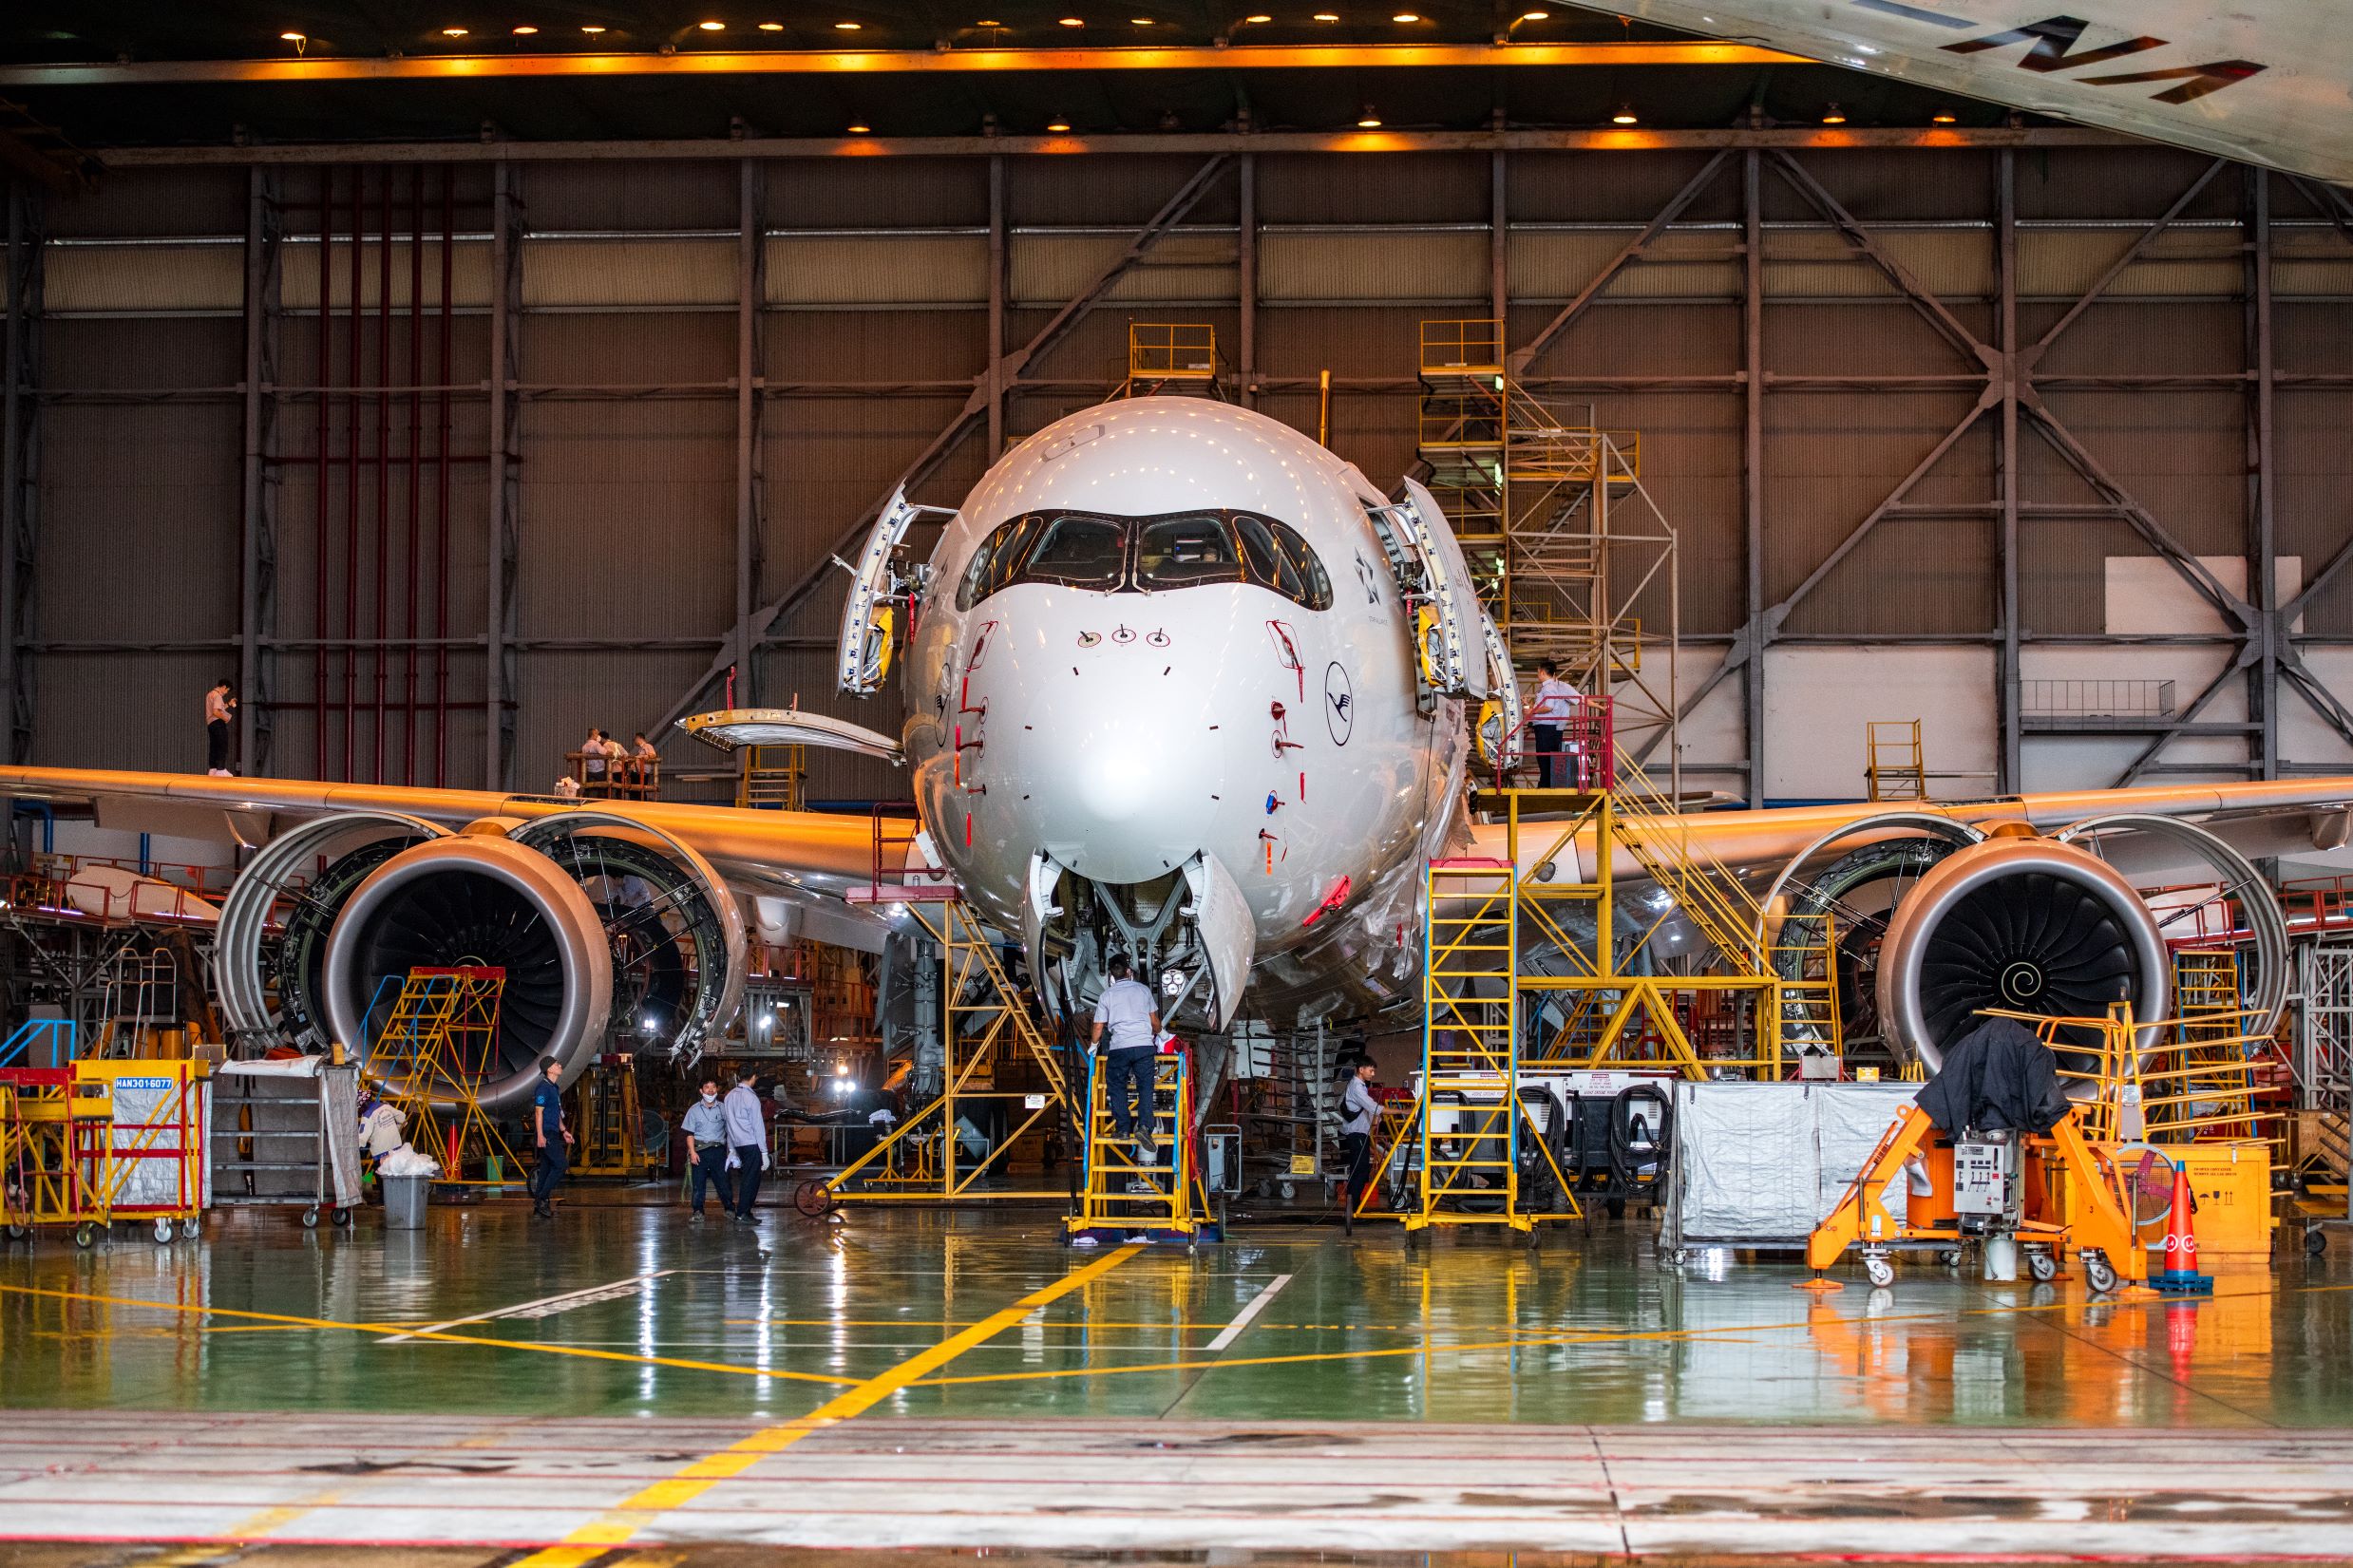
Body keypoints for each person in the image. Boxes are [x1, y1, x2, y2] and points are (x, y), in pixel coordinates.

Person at [1089, 955, 1161, 1152]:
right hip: (1143, 1046)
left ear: (1111, 974)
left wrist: (1093, 1046)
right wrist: (1162, 1034)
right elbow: (1154, 1021)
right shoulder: (1143, 990)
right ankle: (1144, 1127)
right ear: (1129, 971)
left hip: (1119, 1047)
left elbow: (1098, 1027)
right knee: (1145, 1087)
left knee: (1116, 1086)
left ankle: (1122, 1129)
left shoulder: (1106, 996)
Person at [679, 1075, 731, 1222]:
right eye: (707, 1087)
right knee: (698, 1183)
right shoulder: (694, 1110)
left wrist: (731, 1151)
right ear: (701, 1091)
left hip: (718, 1150)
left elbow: (730, 1131)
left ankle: (729, 1209)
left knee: (723, 1182)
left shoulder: (723, 1108)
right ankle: (698, 1211)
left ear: (717, 1089)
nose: (710, 1090)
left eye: (713, 1087)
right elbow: (690, 1133)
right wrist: (692, 1152)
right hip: (700, 1150)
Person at [721, 1069, 769, 1223]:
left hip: (738, 1144)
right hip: (751, 1144)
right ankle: (743, 1212)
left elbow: (728, 1124)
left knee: (745, 1178)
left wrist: (732, 1149)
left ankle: (744, 1211)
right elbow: (757, 1126)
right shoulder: (751, 1098)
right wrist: (764, 1152)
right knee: (751, 1179)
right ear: (753, 1077)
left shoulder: (729, 1096)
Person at [528, 1055, 571, 1219]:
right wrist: (540, 1135)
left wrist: (564, 1130)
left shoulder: (554, 1088)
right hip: (545, 1133)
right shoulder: (543, 1088)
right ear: (549, 1069)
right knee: (561, 1165)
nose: (560, 1065)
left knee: (546, 1168)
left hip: (552, 1132)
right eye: (556, 1064)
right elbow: (538, 1112)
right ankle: (541, 1199)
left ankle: (540, 1203)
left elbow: (556, 1112)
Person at [1527, 659, 1580, 789]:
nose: (1538, 675)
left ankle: (1545, 784)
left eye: (1538, 672)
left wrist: (1532, 711)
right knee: (1546, 756)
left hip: (1546, 727)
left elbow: (1549, 707)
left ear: (1542, 672)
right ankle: (1546, 783)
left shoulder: (1548, 688)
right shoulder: (1549, 687)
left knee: (1544, 756)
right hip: (1547, 726)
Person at [1337, 1059, 1379, 1216]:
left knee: (1360, 1169)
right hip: (1354, 1133)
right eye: (1371, 1071)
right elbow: (1373, 1108)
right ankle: (1353, 1205)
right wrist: (1400, 1112)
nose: (1373, 1074)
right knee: (1359, 1169)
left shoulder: (1358, 1087)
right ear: (1361, 1070)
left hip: (1357, 1132)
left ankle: (1354, 1204)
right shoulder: (1356, 1088)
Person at [204, 680, 237, 776]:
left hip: (211, 724)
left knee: (214, 746)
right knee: (222, 745)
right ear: (224, 687)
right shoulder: (218, 696)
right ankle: (221, 769)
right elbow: (216, 712)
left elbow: (218, 708)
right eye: (227, 690)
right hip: (218, 723)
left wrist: (229, 704)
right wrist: (226, 718)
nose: (226, 692)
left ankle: (213, 768)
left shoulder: (210, 694)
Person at [579, 727, 616, 796]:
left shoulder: (584, 746)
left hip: (589, 771)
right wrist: (611, 753)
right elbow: (604, 752)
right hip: (599, 771)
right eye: (597, 734)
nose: (598, 736)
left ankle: (589, 800)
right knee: (602, 789)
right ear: (593, 735)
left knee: (590, 788)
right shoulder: (596, 744)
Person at [628, 731, 659, 795]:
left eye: (635, 739)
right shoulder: (641, 749)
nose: (634, 741)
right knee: (635, 791)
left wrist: (648, 756)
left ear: (639, 738)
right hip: (637, 772)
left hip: (642, 773)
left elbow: (653, 754)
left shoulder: (647, 746)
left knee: (639, 791)